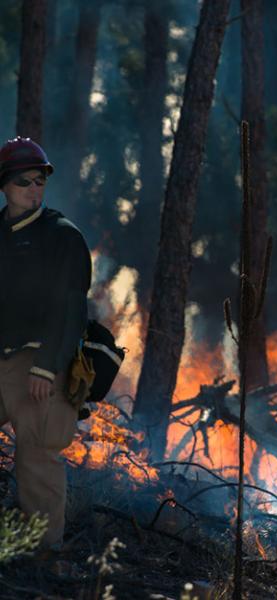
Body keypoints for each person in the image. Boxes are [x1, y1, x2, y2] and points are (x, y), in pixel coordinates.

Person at [0, 136, 91, 549]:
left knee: (37, 457)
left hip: (36, 365)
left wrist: (46, 366)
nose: (34, 190)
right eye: (24, 182)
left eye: (40, 181)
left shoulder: (62, 237)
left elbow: (70, 310)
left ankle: (43, 557)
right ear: (4, 185)